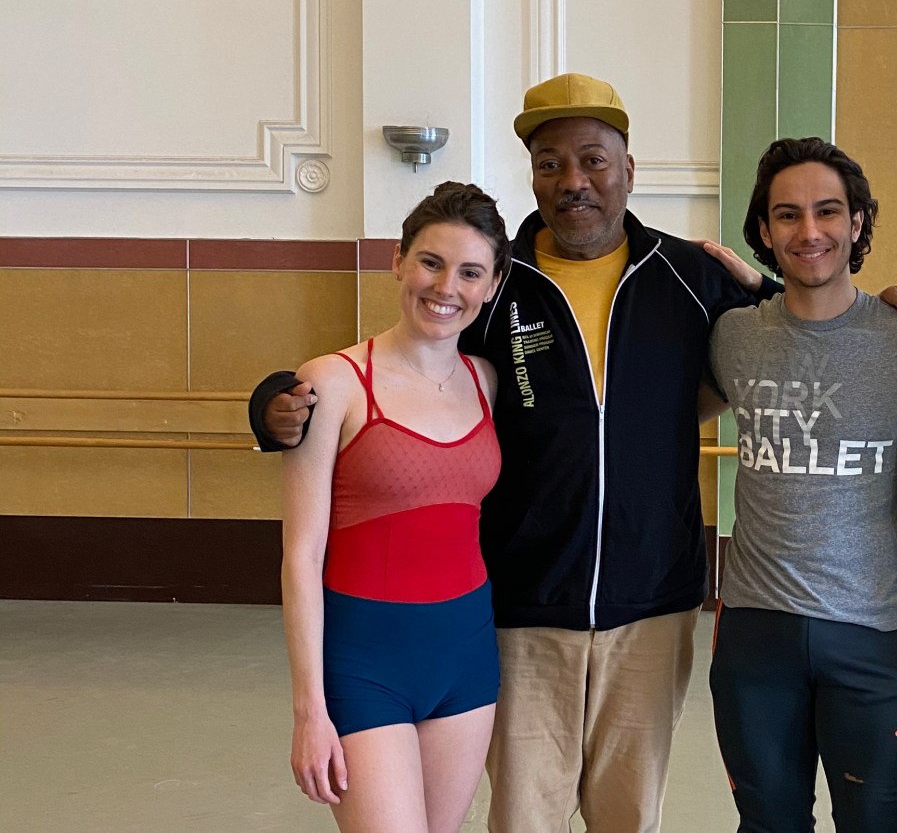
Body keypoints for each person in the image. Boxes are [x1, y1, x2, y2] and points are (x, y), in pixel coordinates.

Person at [254, 73, 779, 833]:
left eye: (593, 160)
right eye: (550, 163)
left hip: (652, 602)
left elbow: (793, 338)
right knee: (524, 817)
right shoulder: (495, 282)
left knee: (630, 817)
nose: (574, 181)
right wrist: (272, 401)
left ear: (629, 169)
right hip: (522, 605)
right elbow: (404, 363)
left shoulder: (689, 276)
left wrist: (779, 290)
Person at [706, 138, 897, 832]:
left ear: (857, 222)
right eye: (788, 215)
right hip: (755, 634)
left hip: (873, 634)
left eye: (828, 211)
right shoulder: (733, 336)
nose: (810, 231)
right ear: (765, 230)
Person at [281, 182, 509, 833]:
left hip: (466, 657)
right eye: (431, 262)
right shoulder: (332, 382)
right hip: (365, 662)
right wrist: (309, 709)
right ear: (399, 261)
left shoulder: (486, 381)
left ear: (492, 285)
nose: (446, 287)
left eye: (470, 272)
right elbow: (301, 557)